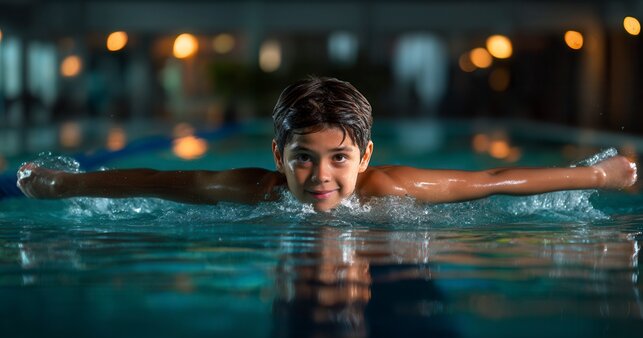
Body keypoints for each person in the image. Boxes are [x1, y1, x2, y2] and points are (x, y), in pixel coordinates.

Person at [17, 77, 638, 212]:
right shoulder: (253, 191)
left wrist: (598, 176)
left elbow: (495, 182)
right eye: (303, 158)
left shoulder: (390, 188)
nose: (320, 175)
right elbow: (159, 182)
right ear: (277, 158)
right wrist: (66, 183)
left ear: (364, 157)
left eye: (340, 158)